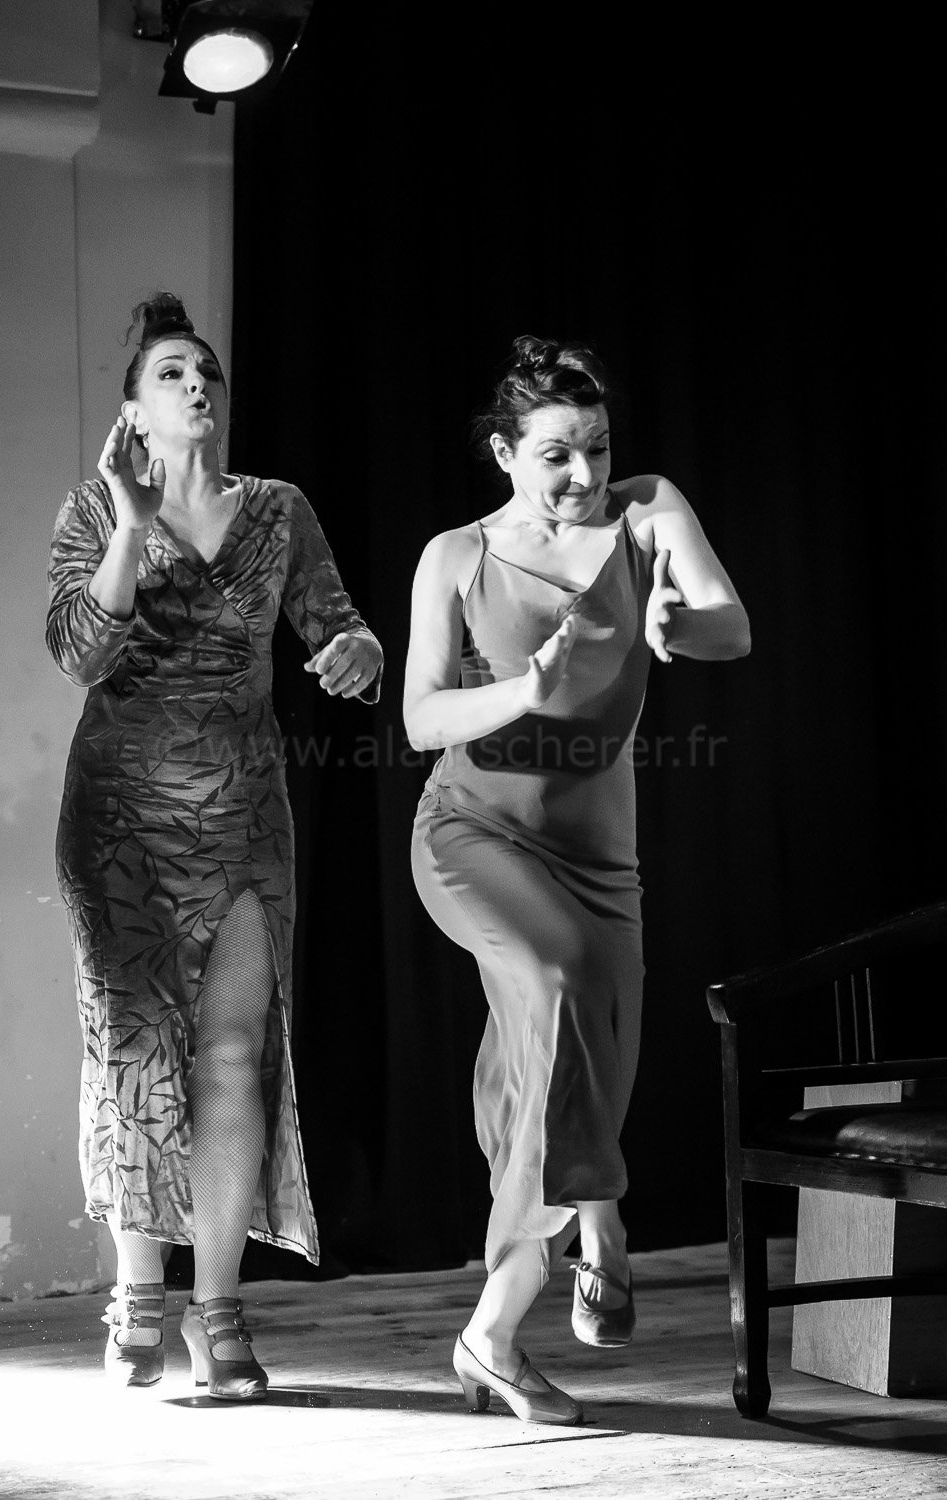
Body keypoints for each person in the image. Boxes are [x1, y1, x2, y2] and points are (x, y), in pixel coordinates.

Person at [405, 335, 750, 1425]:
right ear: (505, 452)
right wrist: (526, 687)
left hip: (601, 861)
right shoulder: (456, 556)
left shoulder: (647, 514)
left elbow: (732, 627)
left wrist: (679, 625)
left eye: (596, 448)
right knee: (556, 989)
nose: (584, 474)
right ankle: (496, 1331)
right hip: (472, 834)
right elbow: (422, 717)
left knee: (556, 1062)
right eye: (556, 454)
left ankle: (598, 1211)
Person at [46, 292, 383, 1399]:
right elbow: (79, 653)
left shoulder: (277, 510)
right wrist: (130, 521)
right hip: (121, 826)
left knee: (234, 1055)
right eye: (172, 374)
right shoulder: (93, 510)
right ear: (134, 413)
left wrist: (359, 651)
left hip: (242, 817)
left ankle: (220, 1309)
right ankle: (138, 1291)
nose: (198, 385)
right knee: (137, 1054)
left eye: (208, 374)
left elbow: (336, 620)